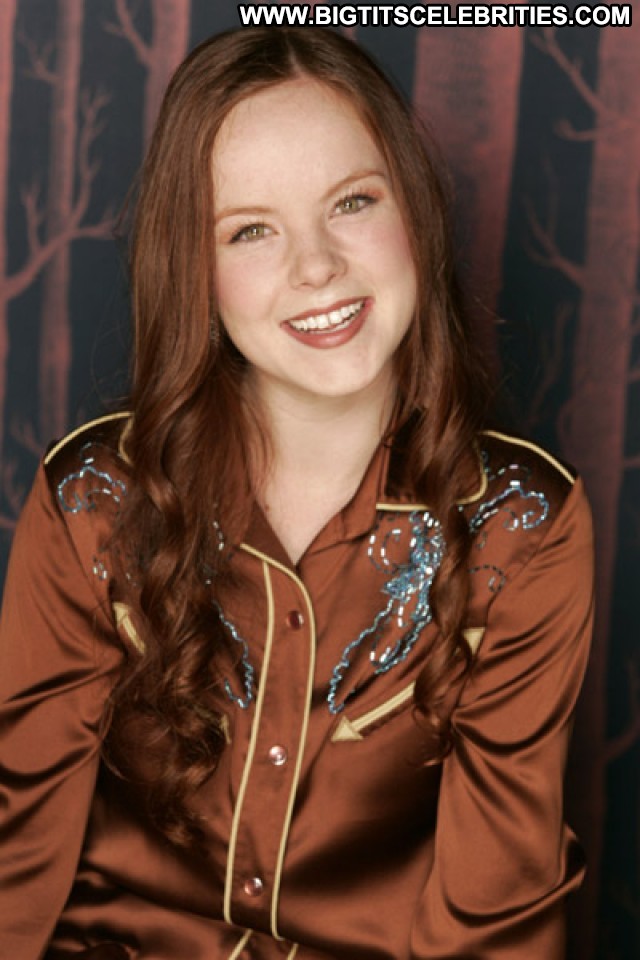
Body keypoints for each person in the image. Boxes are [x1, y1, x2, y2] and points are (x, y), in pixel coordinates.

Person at [0, 25, 593, 960]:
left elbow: (497, 916)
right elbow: (16, 855)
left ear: (415, 211)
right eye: (251, 230)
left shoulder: (521, 527)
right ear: (194, 269)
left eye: (352, 202)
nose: (316, 267)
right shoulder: (92, 501)